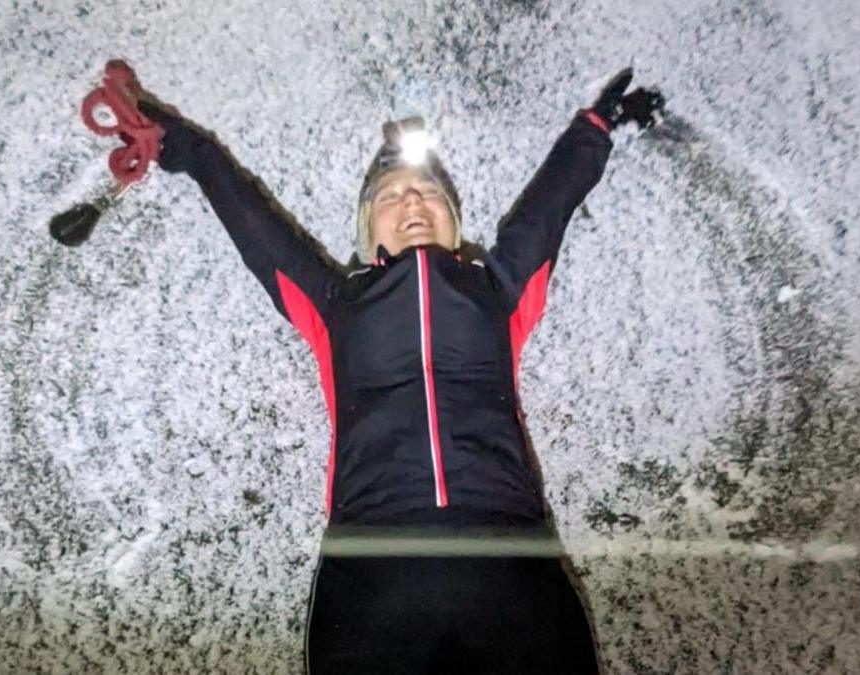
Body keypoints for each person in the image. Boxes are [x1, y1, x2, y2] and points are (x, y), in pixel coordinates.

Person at [125, 66, 664, 674]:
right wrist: (185, 147)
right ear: (369, 229)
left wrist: (597, 125)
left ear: (453, 221)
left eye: (429, 193)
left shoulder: (498, 288)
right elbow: (256, 225)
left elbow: (547, 210)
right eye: (391, 195)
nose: (412, 200)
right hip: (373, 570)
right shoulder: (335, 303)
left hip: (509, 558)